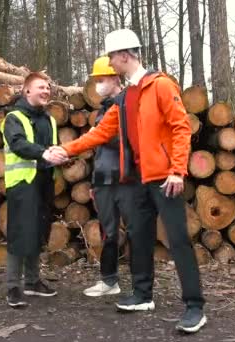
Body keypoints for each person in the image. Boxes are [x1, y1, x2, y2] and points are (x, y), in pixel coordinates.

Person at [48, 29, 207, 333]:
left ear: (124, 56)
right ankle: (143, 295)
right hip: (137, 180)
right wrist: (65, 149)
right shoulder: (126, 97)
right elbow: (100, 133)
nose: (109, 63)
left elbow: (180, 127)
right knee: (139, 236)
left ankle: (194, 307)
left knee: (178, 240)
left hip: (165, 179)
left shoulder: (160, 85)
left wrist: (177, 169)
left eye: (111, 57)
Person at [1, 71, 65, 308]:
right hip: (22, 184)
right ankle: (12, 287)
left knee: (38, 232)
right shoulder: (13, 118)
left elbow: (52, 147)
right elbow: (18, 144)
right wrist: (43, 153)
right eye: (41, 87)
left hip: (44, 183)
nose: (46, 91)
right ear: (26, 90)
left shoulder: (50, 120)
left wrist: (61, 154)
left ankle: (32, 282)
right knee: (20, 234)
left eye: (48, 87)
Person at [82, 56, 130, 297]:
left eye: (101, 79)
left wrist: (101, 135)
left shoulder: (127, 104)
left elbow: (130, 141)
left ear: (114, 77)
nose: (97, 84)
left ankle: (142, 285)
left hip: (124, 177)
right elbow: (98, 151)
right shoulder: (103, 109)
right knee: (108, 232)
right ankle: (109, 281)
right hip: (103, 179)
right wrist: (93, 181)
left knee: (134, 229)